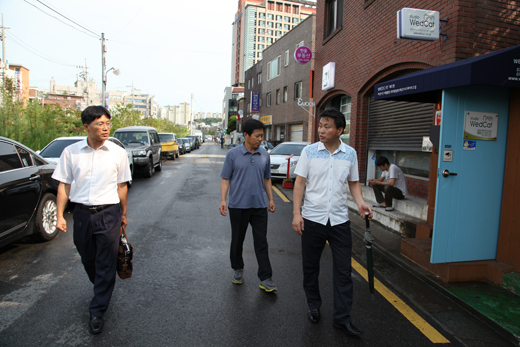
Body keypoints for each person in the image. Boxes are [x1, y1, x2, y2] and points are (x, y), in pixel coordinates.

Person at [292, 109, 373, 337]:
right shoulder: (309, 152)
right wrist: (297, 214)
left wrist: (361, 204)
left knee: (344, 271)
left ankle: (342, 318)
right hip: (312, 219)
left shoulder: (350, 154)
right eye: (320, 125)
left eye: (327, 126)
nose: (321, 130)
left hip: (339, 221)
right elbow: (299, 183)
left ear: (340, 130)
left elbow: (354, 183)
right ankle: (314, 306)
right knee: (311, 267)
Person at [53, 105, 131, 335]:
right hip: (82, 214)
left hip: (109, 213)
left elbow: (122, 186)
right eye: (100, 124)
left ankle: (97, 310)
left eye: (108, 123)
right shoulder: (71, 152)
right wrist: (59, 215)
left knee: (105, 260)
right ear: (87, 127)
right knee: (87, 256)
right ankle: (101, 286)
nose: (105, 128)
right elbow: (64, 185)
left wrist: (124, 213)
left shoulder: (117, 153)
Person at [219, 119, 277, 292]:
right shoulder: (233, 154)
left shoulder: (265, 154)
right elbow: (225, 178)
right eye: (257, 135)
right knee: (237, 240)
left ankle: (266, 277)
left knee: (261, 242)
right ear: (246, 135)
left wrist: (271, 199)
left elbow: (267, 179)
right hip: (238, 205)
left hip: (259, 206)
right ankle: (237, 269)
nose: (261, 139)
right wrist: (223, 199)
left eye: (262, 135)